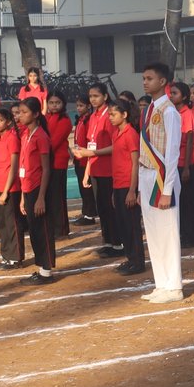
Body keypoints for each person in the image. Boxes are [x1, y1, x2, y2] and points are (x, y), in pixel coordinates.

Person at [133, 64, 185, 303]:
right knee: (153, 233)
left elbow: (172, 152)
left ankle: (174, 287)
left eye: (150, 78)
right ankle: (161, 283)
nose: (145, 82)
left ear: (163, 81)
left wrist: (167, 190)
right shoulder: (148, 110)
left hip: (162, 177)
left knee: (167, 232)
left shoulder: (169, 111)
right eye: (144, 78)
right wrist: (140, 187)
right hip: (146, 175)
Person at [74, 85, 122, 254]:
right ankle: (108, 242)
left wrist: (92, 153)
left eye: (96, 96)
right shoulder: (93, 116)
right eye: (91, 96)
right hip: (95, 169)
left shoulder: (110, 115)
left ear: (105, 96)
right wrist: (87, 171)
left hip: (108, 170)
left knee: (111, 208)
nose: (93, 99)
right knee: (101, 208)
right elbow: (91, 144)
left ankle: (117, 243)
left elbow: (115, 146)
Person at [100, 96, 144, 276]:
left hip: (128, 185)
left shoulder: (131, 134)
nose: (110, 117)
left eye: (113, 114)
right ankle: (130, 258)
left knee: (132, 226)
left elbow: (135, 163)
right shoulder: (116, 133)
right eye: (109, 114)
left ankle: (138, 262)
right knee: (123, 225)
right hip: (118, 185)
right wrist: (114, 190)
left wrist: (132, 190)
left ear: (124, 115)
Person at [15, 97, 56, 285]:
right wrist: (24, 197)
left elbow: (46, 169)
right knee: (33, 230)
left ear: (36, 114)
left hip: (39, 189)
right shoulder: (25, 134)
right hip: (28, 188)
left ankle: (46, 272)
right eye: (20, 112)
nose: (20, 116)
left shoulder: (41, 136)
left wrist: (41, 198)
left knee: (43, 230)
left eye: (24, 112)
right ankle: (41, 269)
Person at [0, 104, 24, 270]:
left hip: (9, 189)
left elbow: (13, 167)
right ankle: (6, 256)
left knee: (12, 224)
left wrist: (5, 192)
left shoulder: (12, 138)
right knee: (1, 224)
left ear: (8, 122)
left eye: (0, 120)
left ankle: (15, 258)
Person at [169, 80, 194, 251]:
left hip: (184, 164)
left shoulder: (187, 114)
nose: (171, 96)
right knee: (179, 202)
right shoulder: (174, 113)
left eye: (175, 93)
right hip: (175, 163)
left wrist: (187, 167)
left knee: (187, 202)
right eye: (171, 93)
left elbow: (189, 142)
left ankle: (191, 237)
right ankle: (182, 234)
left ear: (184, 96)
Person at [44, 93, 72, 239]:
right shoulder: (45, 118)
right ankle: (52, 226)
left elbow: (54, 142)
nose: (54, 105)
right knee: (49, 196)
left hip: (57, 162)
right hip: (46, 162)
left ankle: (61, 229)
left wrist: (40, 153)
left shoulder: (65, 120)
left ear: (63, 103)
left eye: (57, 102)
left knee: (58, 197)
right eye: (51, 102)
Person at [71, 95, 98, 224]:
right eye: (77, 106)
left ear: (88, 106)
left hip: (85, 159)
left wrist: (87, 155)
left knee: (87, 187)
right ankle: (86, 211)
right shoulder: (81, 120)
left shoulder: (89, 120)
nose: (78, 108)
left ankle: (90, 214)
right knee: (83, 188)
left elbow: (89, 140)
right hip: (78, 158)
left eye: (81, 105)